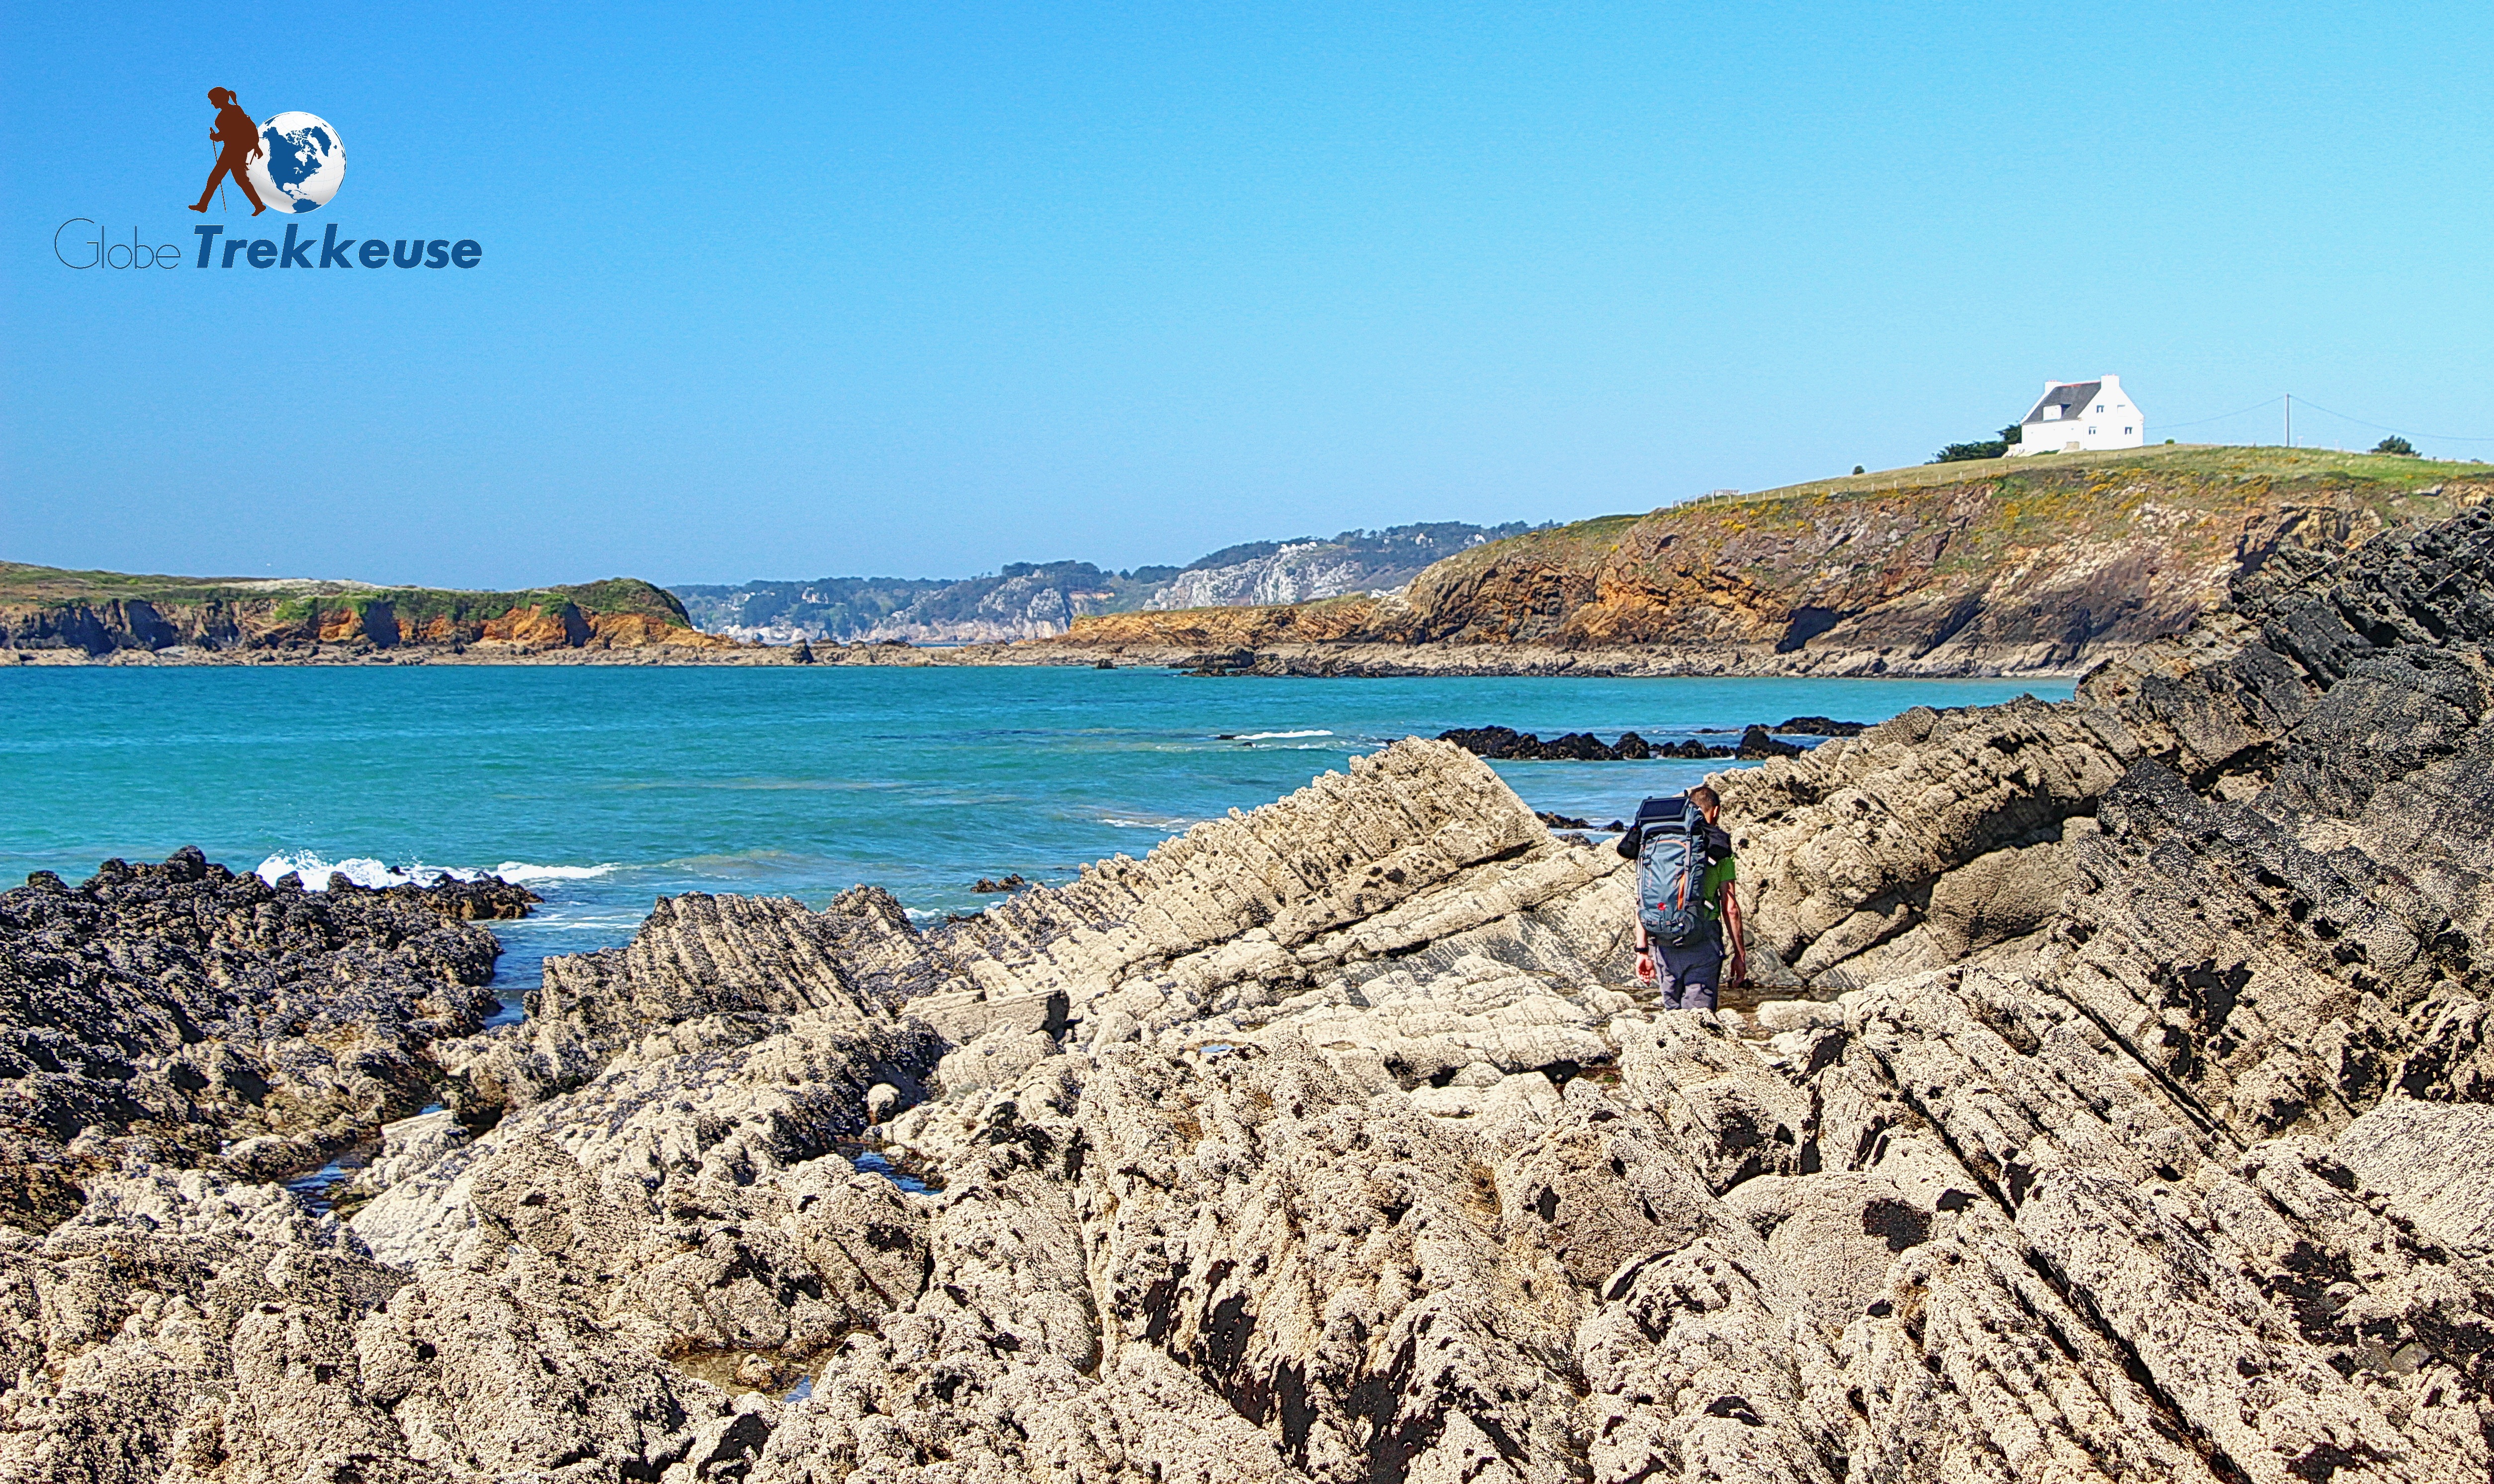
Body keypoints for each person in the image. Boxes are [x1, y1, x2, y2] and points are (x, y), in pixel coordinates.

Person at [1615, 784, 1746, 1010]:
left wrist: (1642, 951)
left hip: (1662, 944)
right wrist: (1740, 955)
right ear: (1715, 811)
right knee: (1698, 1021)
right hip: (1702, 941)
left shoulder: (1655, 843)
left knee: (1673, 1019)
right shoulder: (1719, 850)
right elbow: (1731, 907)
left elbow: (1645, 898)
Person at [191, 87, 268, 215]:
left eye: (213, 100)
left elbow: (233, 133)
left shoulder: (233, 112)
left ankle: (203, 205)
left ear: (220, 99)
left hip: (234, 151)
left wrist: (216, 137)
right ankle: (259, 206)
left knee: (219, 178)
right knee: (235, 180)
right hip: (233, 150)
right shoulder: (233, 111)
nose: (212, 103)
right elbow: (231, 133)